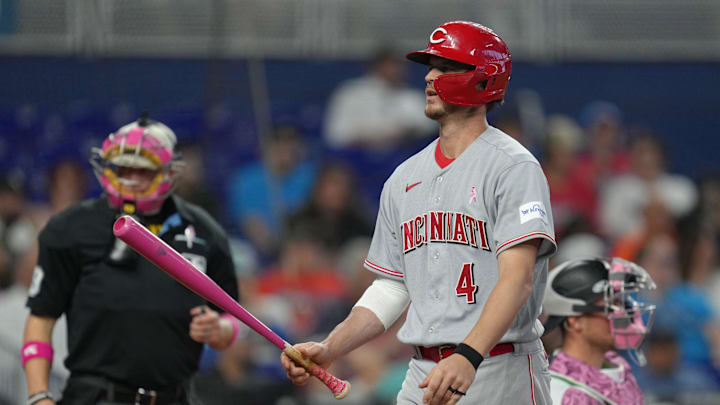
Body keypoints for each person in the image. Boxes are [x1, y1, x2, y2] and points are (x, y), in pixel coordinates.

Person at [282, 21, 557, 405]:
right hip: (422, 374)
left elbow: (518, 280)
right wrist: (331, 347)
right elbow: (393, 286)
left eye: (445, 67)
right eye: (430, 67)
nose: (429, 77)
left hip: (498, 367)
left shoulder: (513, 167)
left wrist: (468, 355)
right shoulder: (404, 178)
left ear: (482, 80)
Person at [22, 113, 240, 405]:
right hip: (94, 398)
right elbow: (41, 316)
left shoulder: (205, 231)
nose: (133, 180)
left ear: (169, 172)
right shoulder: (70, 228)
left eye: (145, 171)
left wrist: (220, 329)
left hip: (176, 396)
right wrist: (39, 396)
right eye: (124, 169)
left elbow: (231, 319)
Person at [542, 257, 657, 405]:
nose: (623, 313)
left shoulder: (620, 373)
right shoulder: (559, 393)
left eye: (621, 303)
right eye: (612, 305)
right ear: (575, 321)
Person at [324, 48, 436, 151]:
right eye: (389, 65)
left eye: (399, 65)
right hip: (357, 157)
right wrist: (375, 136)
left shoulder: (412, 96)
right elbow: (336, 134)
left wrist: (403, 133)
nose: (395, 70)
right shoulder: (351, 92)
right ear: (375, 66)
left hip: (400, 154)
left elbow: (429, 126)